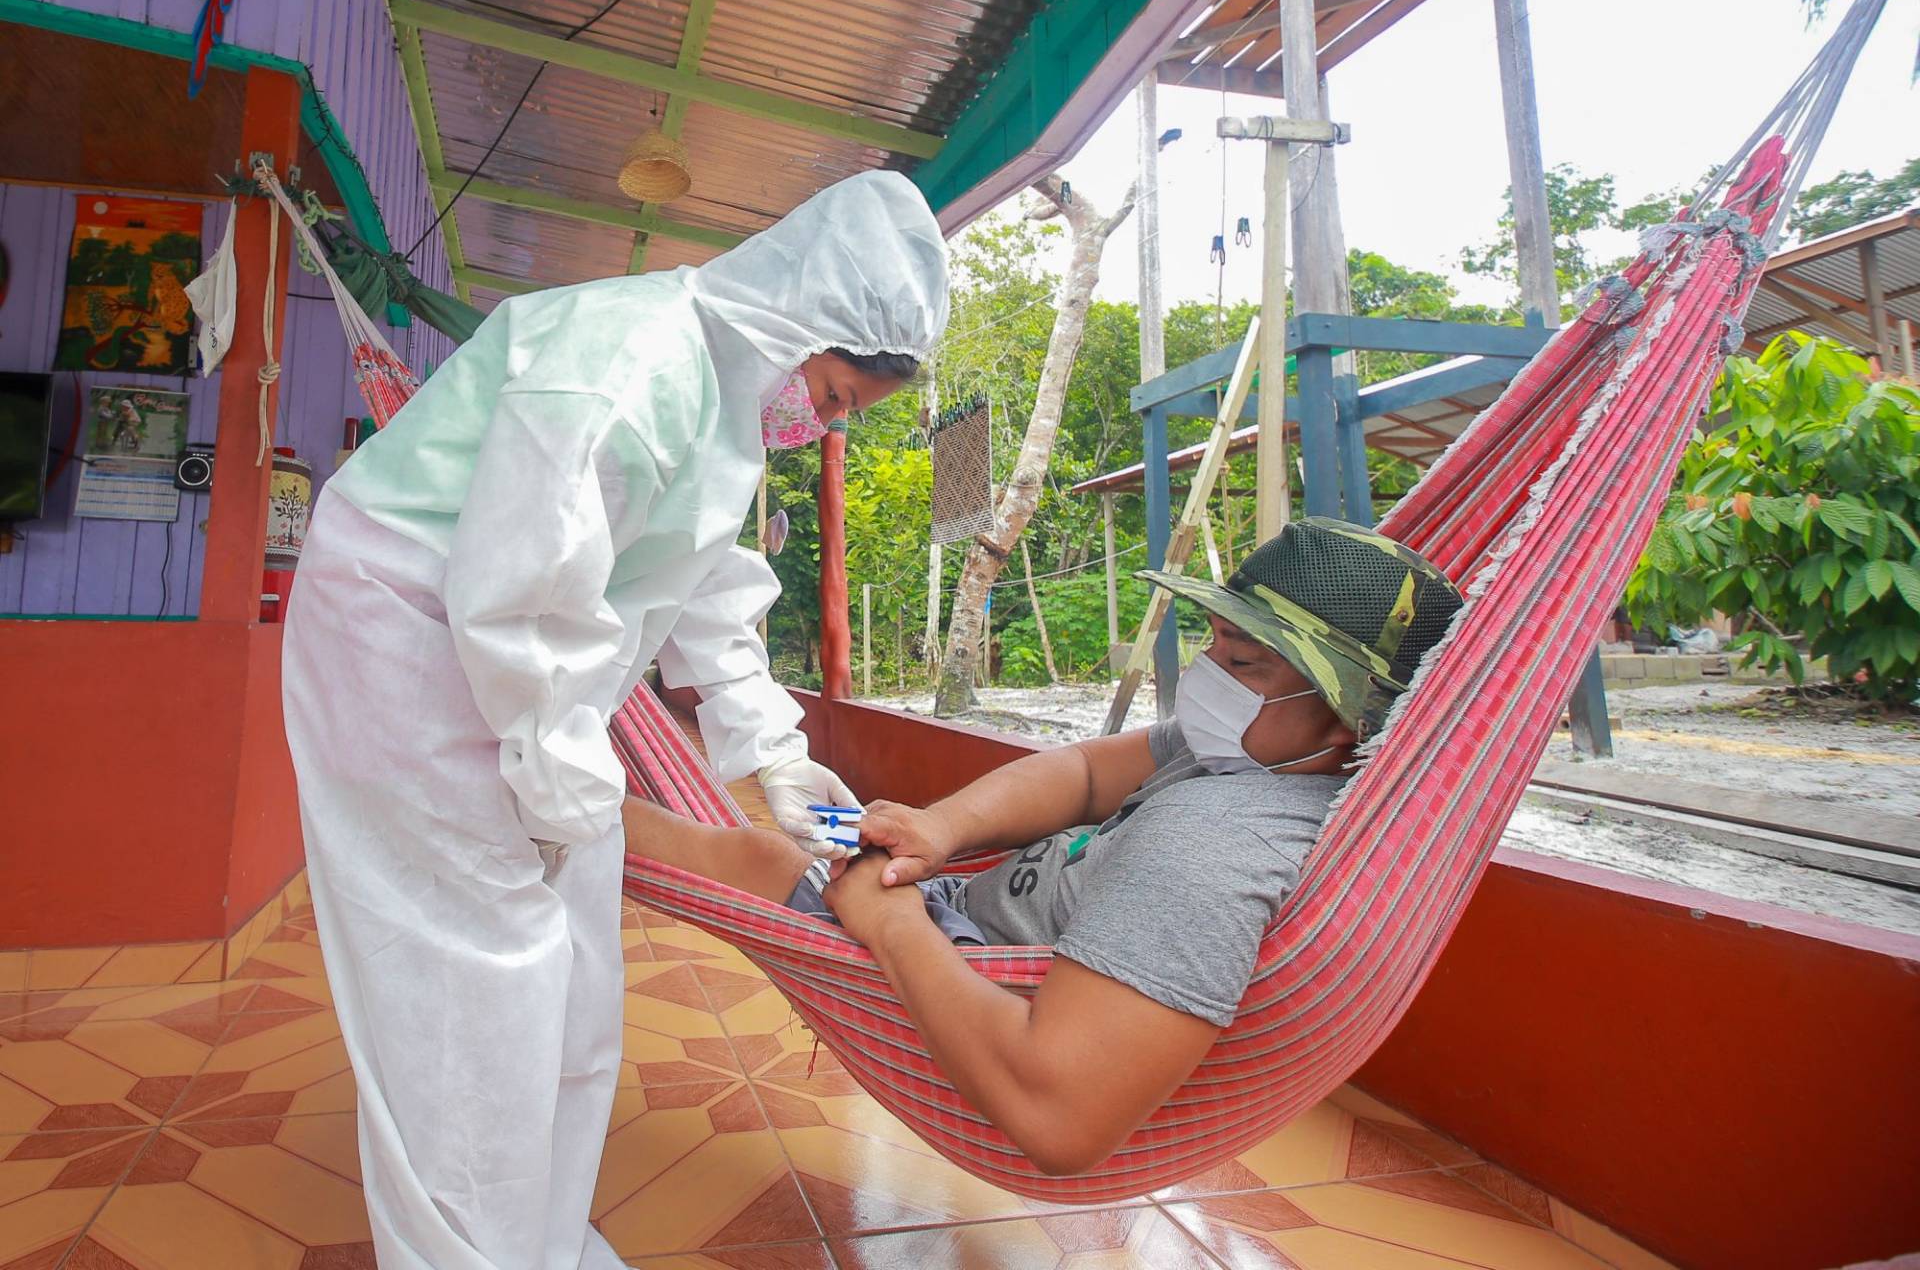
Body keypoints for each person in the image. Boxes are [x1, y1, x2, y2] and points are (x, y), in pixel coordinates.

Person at [281, 171, 948, 1270]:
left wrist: (773, 751)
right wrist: (554, 779)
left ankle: (541, 1241)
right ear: (795, 325)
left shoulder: (723, 403)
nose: (824, 423)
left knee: (578, 963)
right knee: (474, 980)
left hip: (520, 659)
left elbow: (701, 579)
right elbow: (519, 588)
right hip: (403, 630)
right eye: (834, 396)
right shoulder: (630, 367)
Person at [624, 517, 1463, 1176]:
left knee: (767, 860)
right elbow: (1089, 771)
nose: (1207, 670)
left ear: (1349, 715)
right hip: (948, 906)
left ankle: (576, 815)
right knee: (832, 827)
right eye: (1212, 640)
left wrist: (894, 926)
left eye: (1241, 660)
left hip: (964, 972)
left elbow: (1060, 1118)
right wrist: (938, 827)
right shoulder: (1256, 752)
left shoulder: (1207, 852)